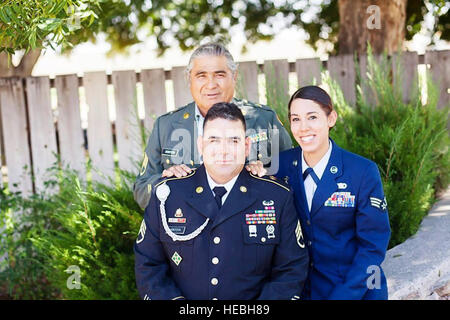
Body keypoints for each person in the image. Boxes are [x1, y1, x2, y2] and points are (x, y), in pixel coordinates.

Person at [134, 102, 309, 300]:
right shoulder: (169, 194)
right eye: (214, 140)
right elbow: (148, 264)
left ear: (246, 146)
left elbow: (291, 269)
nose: (223, 150)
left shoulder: (276, 197)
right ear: (201, 145)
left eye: (233, 141)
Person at [133, 42, 292, 209]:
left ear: (234, 76)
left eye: (220, 74)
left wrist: (262, 178)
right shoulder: (166, 126)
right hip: (187, 231)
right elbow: (141, 190)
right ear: (189, 79)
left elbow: (291, 180)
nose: (211, 84)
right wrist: (166, 181)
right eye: (201, 75)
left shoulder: (264, 120)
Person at [276, 86, 391, 300]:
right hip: (300, 291)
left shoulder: (362, 171)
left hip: (354, 290)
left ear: (331, 119)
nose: (303, 128)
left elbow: (373, 246)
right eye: (295, 119)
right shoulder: (280, 166)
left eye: (312, 117)